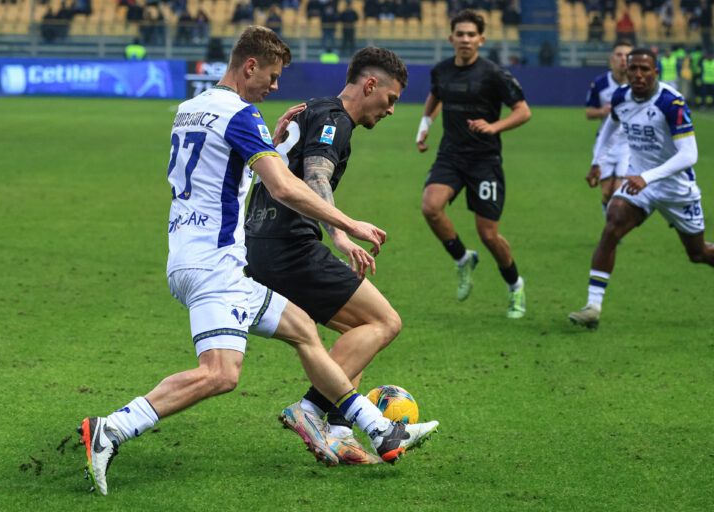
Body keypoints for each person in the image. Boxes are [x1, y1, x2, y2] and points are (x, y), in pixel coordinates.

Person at [78, 26, 438, 496]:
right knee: (220, 373)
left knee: (304, 331)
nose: (274, 86)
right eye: (271, 76)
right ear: (250, 66)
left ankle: (378, 428)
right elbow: (285, 187)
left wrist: (272, 140)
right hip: (215, 264)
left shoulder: (190, 109)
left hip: (192, 252)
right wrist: (347, 225)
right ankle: (111, 428)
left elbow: (220, 168)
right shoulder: (241, 115)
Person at [244, 47, 408, 465]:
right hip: (289, 244)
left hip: (261, 241)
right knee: (384, 321)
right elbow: (317, 175)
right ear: (370, 85)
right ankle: (310, 410)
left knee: (359, 330)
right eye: (390, 99)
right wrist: (342, 230)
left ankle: (340, 432)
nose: (391, 110)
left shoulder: (311, 109)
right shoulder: (336, 120)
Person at [568, 49, 714, 329]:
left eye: (644, 69)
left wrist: (648, 177)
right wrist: (597, 161)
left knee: (698, 254)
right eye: (633, 68)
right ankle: (593, 306)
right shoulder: (621, 96)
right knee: (612, 224)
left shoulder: (671, 102)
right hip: (639, 182)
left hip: (675, 188)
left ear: (655, 72)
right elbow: (609, 127)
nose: (638, 74)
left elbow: (689, 155)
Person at [415, 10, 531, 319]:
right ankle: (462, 258)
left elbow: (523, 111)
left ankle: (515, 285)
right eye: (460, 34)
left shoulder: (495, 74)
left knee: (489, 235)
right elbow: (436, 96)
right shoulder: (441, 70)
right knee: (431, 207)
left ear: (481, 39)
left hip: (484, 160)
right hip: (451, 155)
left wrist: (494, 127)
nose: (465, 39)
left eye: (471, 34)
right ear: (451, 38)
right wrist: (425, 125)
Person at [584, 41, 633, 215]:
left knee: (618, 193)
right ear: (612, 59)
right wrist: (602, 111)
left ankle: (613, 226)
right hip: (605, 144)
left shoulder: (638, 84)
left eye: (627, 55)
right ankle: (610, 219)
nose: (623, 59)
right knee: (606, 193)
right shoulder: (601, 83)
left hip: (628, 145)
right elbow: (588, 113)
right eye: (619, 55)